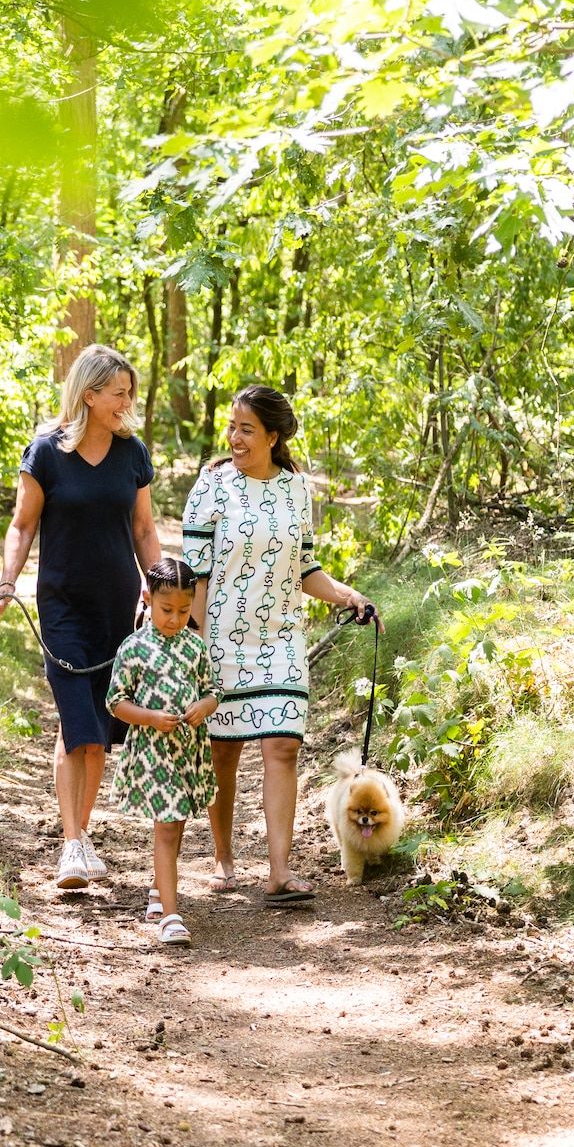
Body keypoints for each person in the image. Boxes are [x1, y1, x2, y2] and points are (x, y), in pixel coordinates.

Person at [181, 384, 375, 904]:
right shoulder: (212, 485)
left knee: (283, 746)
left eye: (246, 429)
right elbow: (195, 573)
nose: (235, 438)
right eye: (232, 427)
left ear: (272, 436)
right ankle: (223, 856)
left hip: (281, 640)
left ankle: (279, 872)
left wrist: (349, 595)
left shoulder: (296, 489)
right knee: (223, 752)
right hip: (221, 640)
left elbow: (306, 570)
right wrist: (197, 639)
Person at [0, 345, 163, 889]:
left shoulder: (132, 453)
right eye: (119, 394)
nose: (127, 403)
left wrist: (160, 588)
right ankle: (70, 845)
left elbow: (143, 529)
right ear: (89, 395)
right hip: (62, 604)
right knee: (74, 722)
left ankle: (82, 834)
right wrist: (7, 579)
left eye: (129, 393)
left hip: (116, 603)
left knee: (99, 729)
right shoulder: (45, 452)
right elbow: (22, 525)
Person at [106, 557, 219, 946]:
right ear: (149, 600)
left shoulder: (195, 647)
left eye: (184, 611)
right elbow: (116, 702)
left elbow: (213, 690)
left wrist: (204, 706)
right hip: (154, 752)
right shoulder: (134, 648)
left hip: (188, 750)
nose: (174, 619)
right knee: (167, 826)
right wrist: (150, 718)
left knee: (177, 822)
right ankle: (171, 916)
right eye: (166, 609)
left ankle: (159, 886)